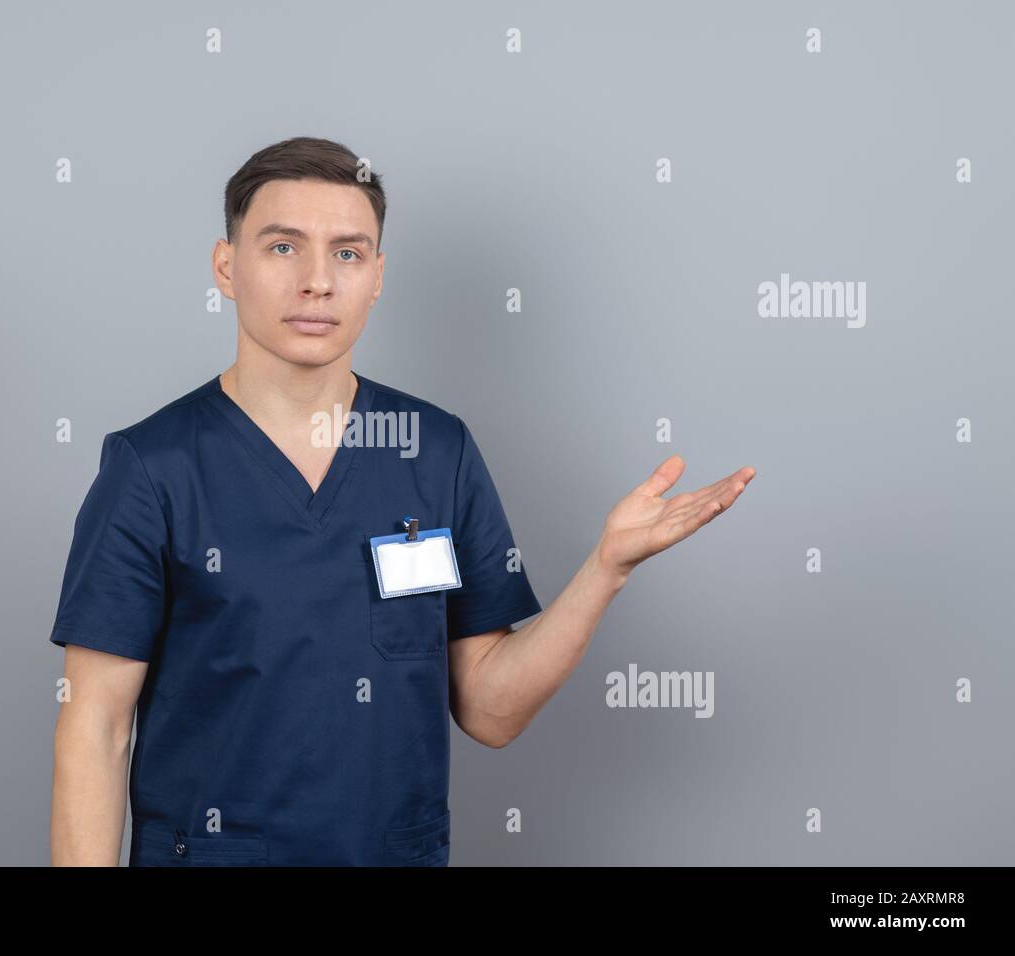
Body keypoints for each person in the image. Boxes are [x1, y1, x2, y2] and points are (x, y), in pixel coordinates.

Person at [48, 136, 755, 866]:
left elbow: (489, 709)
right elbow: (95, 728)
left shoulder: (434, 450)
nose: (318, 281)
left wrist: (605, 569)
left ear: (378, 276)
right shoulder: (154, 467)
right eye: (283, 248)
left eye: (348, 253)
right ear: (227, 268)